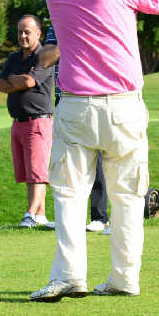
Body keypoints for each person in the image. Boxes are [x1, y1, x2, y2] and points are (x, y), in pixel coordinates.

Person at [30, 0, 159, 302]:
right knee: (127, 197)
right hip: (125, 107)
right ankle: (124, 279)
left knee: (69, 194)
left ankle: (69, 277)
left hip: (76, 108)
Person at [41, 25, 110, 234]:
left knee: (97, 158)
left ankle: (100, 217)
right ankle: (68, 217)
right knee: (66, 162)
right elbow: (46, 59)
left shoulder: (90, 18)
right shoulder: (55, 23)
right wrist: (68, 36)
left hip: (91, 95)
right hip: (63, 97)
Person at [0, 14, 56, 229]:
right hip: (18, 123)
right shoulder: (14, 57)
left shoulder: (44, 56)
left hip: (37, 122)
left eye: (27, 32)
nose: (22, 36)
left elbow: (30, 81)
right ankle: (40, 215)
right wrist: (19, 81)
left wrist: (16, 79)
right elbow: (0, 85)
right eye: (20, 31)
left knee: (37, 173)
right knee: (29, 174)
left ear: (38, 33)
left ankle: (30, 214)